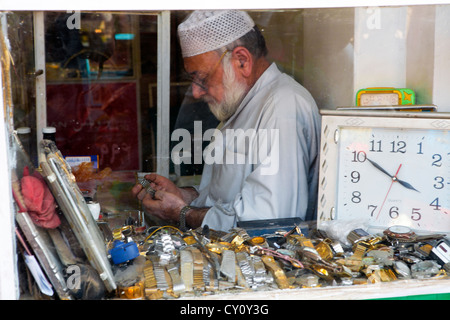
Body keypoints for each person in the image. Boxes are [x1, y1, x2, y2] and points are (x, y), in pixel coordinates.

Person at [132, 10, 321, 232]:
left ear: (242, 61)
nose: (195, 92)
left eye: (202, 78)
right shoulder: (242, 101)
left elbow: (267, 223)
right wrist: (185, 196)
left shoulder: (282, 107)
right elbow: (225, 198)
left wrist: (181, 212)